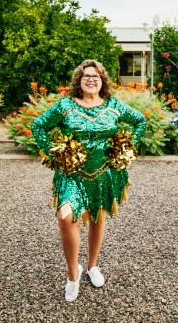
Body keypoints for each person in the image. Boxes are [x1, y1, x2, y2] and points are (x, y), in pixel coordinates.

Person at [31, 59, 146, 302]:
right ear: (79, 81)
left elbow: (140, 121)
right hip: (72, 175)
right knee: (66, 216)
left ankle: (92, 266)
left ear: (102, 80)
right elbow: (38, 126)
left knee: (97, 216)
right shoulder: (65, 106)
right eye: (86, 76)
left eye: (95, 76)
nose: (91, 79)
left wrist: (125, 148)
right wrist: (54, 153)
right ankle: (73, 274)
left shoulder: (114, 105)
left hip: (104, 173)